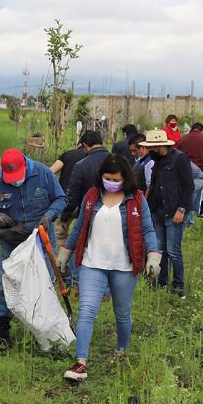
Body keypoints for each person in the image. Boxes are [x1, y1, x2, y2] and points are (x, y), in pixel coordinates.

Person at [56, 155, 162, 380]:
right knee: (86, 311)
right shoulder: (92, 196)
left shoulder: (137, 199)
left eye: (116, 179)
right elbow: (79, 227)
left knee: (122, 312)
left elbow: (147, 230)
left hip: (124, 266)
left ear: (125, 178)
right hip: (92, 264)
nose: (111, 182)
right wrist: (65, 252)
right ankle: (80, 362)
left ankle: (122, 350)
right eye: (107, 178)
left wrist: (153, 256)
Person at [0, 148, 67, 349]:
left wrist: (49, 215)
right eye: (10, 179)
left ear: (26, 165)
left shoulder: (43, 173)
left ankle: (45, 329)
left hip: (41, 235)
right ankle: (2, 330)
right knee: (6, 282)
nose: (14, 181)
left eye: (17, 177)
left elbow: (61, 198)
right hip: (12, 238)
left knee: (45, 281)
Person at [139, 129, 191, 297]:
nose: (150, 150)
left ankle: (178, 286)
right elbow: (152, 186)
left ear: (161, 145)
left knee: (174, 250)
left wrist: (181, 209)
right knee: (159, 250)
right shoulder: (155, 160)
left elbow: (188, 186)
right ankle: (161, 283)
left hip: (174, 211)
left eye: (153, 147)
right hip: (157, 211)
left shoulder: (179, 159)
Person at [59, 131, 110, 232]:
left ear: (85, 146)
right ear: (101, 143)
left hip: (88, 214)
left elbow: (73, 195)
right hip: (112, 213)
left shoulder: (81, 166)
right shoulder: (116, 160)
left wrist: (65, 216)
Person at [176, 122, 203, 227]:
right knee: (194, 196)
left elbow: (175, 152)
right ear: (201, 130)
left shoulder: (183, 139)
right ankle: (189, 221)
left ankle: (187, 220)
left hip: (183, 170)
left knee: (185, 194)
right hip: (199, 172)